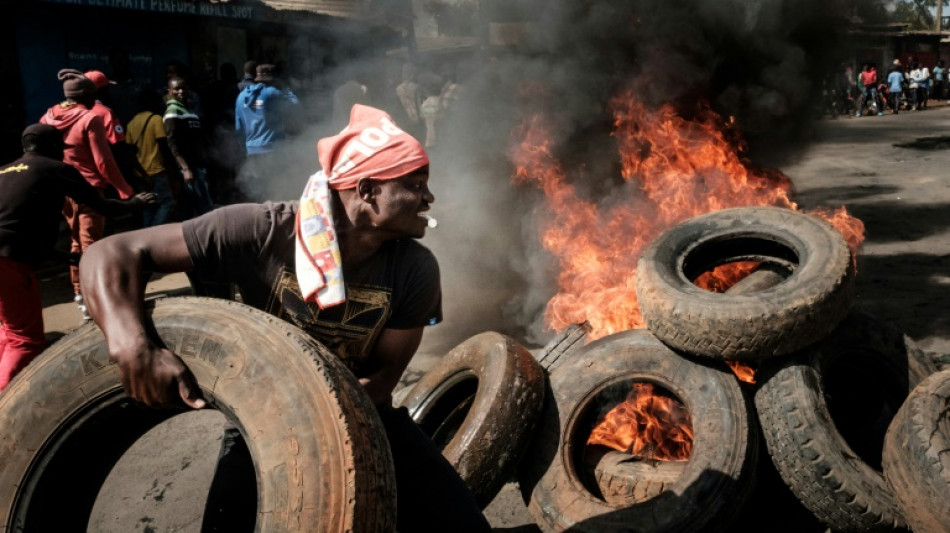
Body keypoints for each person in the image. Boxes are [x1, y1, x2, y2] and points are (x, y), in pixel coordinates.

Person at [79, 104, 490, 532]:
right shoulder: (262, 230)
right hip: (265, 417)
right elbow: (109, 252)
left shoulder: (416, 269)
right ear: (368, 191)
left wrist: (319, 431)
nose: (429, 198)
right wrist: (131, 344)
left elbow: (384, 376)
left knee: (462, 524)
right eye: (416, 185)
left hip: (365, 413)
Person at [0, 124, 153, 391]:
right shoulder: (56, 169)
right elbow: (101, 206)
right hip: (9, 262)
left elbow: (15, 225)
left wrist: (66, 258)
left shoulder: (4, 171)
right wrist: (134, 204)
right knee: (25, 341)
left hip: (8, 256)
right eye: (61, 146)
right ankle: (6, 404)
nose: (63, 152)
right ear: (51, 147)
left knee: (8, 331)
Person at [40, 69, 137, 319]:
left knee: (76, 240)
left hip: (62, 189)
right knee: (92, 244)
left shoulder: (48, 116)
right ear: (87, 96)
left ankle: (80, 295)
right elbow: (103, 161)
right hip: (89, 189)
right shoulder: (89, 118)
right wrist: (124, 190)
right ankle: (97, 300)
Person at [234, 63, 300, 193]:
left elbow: (239, 127)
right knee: (275, 187)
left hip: (251, 151)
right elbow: (295, 105)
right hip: (272, 149)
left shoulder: (241, 96)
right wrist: (286, 89)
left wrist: (245, 148)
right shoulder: (274, 93)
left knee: (259, 189)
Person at [164, 76, 213, 220]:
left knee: (186, 207)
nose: (181, 91)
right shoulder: (173, 111)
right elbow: (172, 142)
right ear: (169, 91)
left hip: (197, 165)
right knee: (205, 208)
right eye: (176, 89)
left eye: (183, 87)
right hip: (189, 168)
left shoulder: (188, 109)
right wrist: (185, 169)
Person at [127, 89, 176, 226]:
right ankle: (154, 231)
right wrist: (172, 169)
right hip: (156, 171)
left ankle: (146, 236)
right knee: (167, 203)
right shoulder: (156, 119)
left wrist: (142, 174)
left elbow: (130, 153)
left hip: (140, 175)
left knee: (149, 207)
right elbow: (163, 146)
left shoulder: (132, 122)